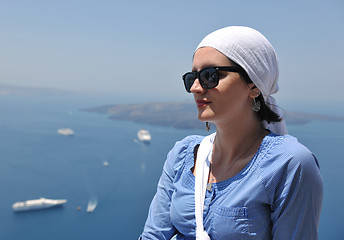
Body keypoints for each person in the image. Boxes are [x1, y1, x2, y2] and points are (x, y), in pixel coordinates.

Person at [139, 26, 323, 240]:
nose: (195, 88)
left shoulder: (288, 164)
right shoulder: (183, 155)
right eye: (192, 77)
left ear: (254, 85)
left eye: (210, 76)